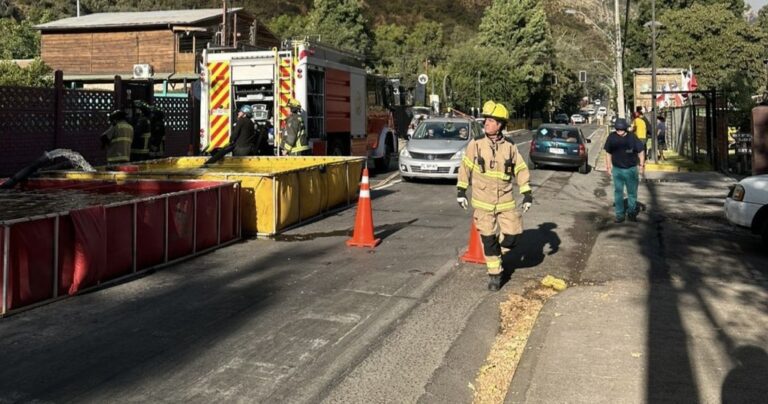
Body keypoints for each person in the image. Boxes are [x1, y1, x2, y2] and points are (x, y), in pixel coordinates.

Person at [456, 100, 533, 291]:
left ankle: (496, 255)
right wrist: (461, 191)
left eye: (491, 121)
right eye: (486, 120)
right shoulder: (476, 145)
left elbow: (521, 170)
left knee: (513, 236)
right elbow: (465, 168)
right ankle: (495, 275)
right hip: (482, 202)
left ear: (500, 125)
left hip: (505, 200)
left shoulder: (510, 147)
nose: (486, 124)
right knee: (489, 240)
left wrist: (527, 193)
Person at [604, 118, 645, 223]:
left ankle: (631, 213)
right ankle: (619, 215)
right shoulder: (611, 137)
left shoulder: (632, 137)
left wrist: (641, 165)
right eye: (617, 129)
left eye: (621, 129)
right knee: (618, 192)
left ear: (625, 128)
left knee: (632, 193)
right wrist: (608, 167)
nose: (619, 131)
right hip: (617, 170)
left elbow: (641, 151)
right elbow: (608, 153)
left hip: (631, 169)